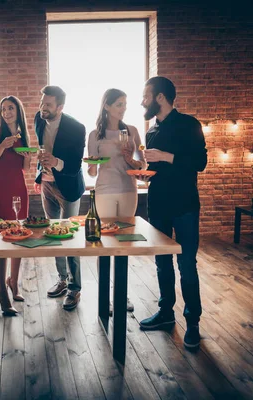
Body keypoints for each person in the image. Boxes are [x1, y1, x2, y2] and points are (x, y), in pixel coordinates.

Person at [138, 76, 207, 350]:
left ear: (160, 97)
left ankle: (193, 323)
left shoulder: (190, 124)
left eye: (146, 95)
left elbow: (199, 163)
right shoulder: (151, 131)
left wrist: (165, 156)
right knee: (162, 263)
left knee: (187, 265)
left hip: (185, 206)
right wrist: (144, 174)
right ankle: (166, 314)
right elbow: (156, 173)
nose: (143, 100)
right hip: (158, 205)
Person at [87, 88, 146, 312]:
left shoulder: (132, 131)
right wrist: (92, 163)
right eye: (119, 104)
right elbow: (92, 173)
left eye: (125, 104)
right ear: (107, 106)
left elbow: (142, 164)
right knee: (104, 243)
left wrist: (130, 156)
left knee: (124, 242)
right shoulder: (95, 135)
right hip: (104, 191)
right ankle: (106, 295)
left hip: (129, 190)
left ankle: (121, 293)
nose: (124, 108)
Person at [34, 85, 86, 310]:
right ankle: (62, 279)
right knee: (54, 235)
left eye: (48, 105)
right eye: (42, 103)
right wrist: (40, 173)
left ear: (60, 107)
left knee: (70, 236)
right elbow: (40, 148)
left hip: (69, 187)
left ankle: (75, 288)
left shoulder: (76, 128)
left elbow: (75, 165)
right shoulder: (38, 119)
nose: (42, 108)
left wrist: (55, 162)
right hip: (46, 185)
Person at [0, 95, 32, 315]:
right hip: (0, 189)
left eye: (11, 108)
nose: (6, 112)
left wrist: (31, 155)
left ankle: (14, 281)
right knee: (3, 239)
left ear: (18, 110)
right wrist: (3, 146)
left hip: (19, 188)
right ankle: (2, 290)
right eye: (3, 109)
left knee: (19, 235)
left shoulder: (24, 134)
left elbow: (26, 168)